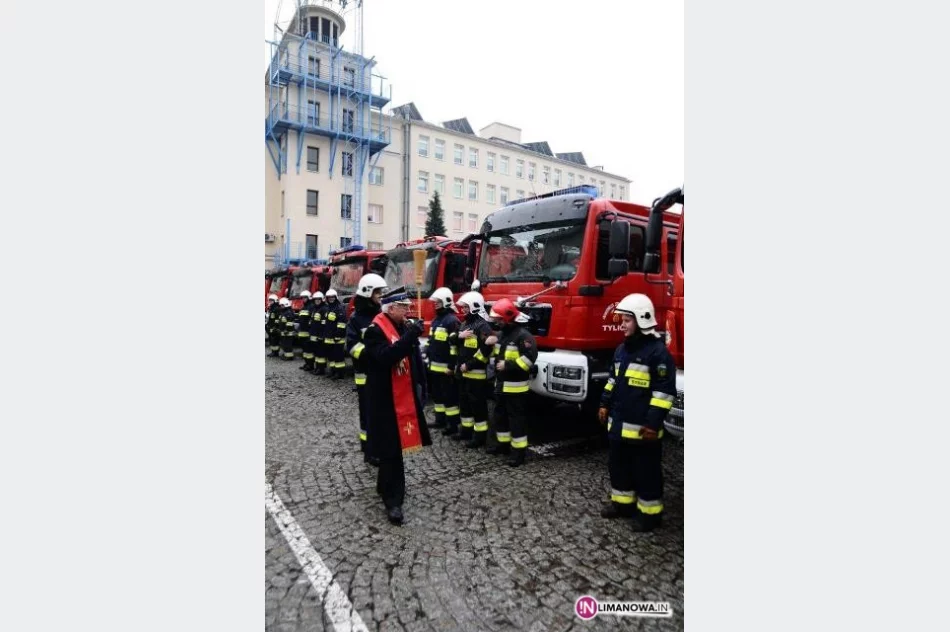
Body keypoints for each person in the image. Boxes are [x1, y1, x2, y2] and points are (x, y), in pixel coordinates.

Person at [598, 293, 677, 533]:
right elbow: (613, 380)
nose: (622, 324)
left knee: (647, 473)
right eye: (622, 320)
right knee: (619, 467)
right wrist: (604, 403)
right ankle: (623, 506)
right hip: (619, 426)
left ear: (642, 320)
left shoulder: (657, 353)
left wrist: (653, 424)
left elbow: (663, 393)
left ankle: (649, 515)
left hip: (644, 432)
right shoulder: (622, 350)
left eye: (626, 320)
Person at [362, 287, 431, 525]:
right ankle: (394, 501)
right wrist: (411, 335)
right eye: (404, 307)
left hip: (403, 396)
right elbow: (387, 357)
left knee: (393, 448)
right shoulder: (374, 331)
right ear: (391, 308)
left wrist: (421, 385)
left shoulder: (401, 327)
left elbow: (413, 359)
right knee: (391, 449)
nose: (408, 311)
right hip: (384, 399)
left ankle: (384, 486)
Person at [486, 298, 538, 467]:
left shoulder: (523, 336)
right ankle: (503, 446)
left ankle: (519, 454)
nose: (497, 322)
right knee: (500, 418)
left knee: (517, 422)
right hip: (501, 386)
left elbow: (529, 360)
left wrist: (507, 365)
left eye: (499, 319)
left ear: (508, 318)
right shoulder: (502, 334)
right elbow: (497, 354)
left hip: (516, 389)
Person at [345, 273, 386, 466]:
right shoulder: (356, 318)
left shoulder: (381, 314)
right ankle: (369, 450)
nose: (381, 295)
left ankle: (376, 445)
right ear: (368, 292)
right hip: (365, 375)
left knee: (380, 413)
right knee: (368, 413)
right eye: (378, 292)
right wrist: (371, 354)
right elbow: (352, 346)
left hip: (381, 374)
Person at [453, 291, 495, 447]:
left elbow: (486, 351)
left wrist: (469, 365)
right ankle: (466, 432)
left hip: (476, 375)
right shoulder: (465, 325)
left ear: (474, 307)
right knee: (464, 405)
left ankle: (479, 437)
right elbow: (459, 347)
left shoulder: (482, 325)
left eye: (465, 307)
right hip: (463, 374)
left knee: (478, 407)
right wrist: (459, 336)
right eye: (462, 307)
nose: (462, 310)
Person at [426, 287, 462, 435]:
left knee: (449, 398)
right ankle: (440, 420)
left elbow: (455, 347)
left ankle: (452, 425)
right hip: (434, 367)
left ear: (446, 302)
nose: (435, 304)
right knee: (437, 396)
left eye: (438, 302)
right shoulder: (436, 321)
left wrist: (451, 366)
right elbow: (431, 342)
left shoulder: (452, 321)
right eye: (435, 302)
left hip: (446, 369)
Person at [323, 289, 348, 379]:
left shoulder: (339, 308)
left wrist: (338, 335)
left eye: (332, 297)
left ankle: (339, 373)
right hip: (329, 337)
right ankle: (333, 371)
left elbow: (342, 324)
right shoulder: (328, 308)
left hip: (337, 337)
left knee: (338, 356)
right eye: (329, 297)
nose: (331, 299)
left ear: (336, 297)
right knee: (331, 356)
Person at [309, 291, 328, 375]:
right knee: (316, 352)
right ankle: (317, 368)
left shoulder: (324, 309)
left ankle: (321, 369)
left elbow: (324, 324)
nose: (317, 301)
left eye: (318, 299)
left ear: (322, 300)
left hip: (320, 335)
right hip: (314, 334)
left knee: (321, 353)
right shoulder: (315, 309)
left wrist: (321, 335)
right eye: (315, 300)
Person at [295, 291, 314, 370]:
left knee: (309, 351)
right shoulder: (303, 307)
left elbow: (312, 320)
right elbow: (300, 320)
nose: (303, 299)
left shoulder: (311, 307)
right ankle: (306, 363)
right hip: (302, 332)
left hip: (308, 332)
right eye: (303, 298)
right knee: (305, 351)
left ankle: (310, 365)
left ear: (309, 298)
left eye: (305, 297)